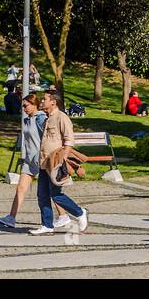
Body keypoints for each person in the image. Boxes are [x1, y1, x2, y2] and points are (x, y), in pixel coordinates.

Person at [0, 93, 65, 228]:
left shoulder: (41, 119)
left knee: (51, 191)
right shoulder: (27, 119)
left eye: (26, 105)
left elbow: (48, 138)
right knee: (20, 188)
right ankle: (11, 217)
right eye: (23, 106)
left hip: (41, 160)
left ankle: (63, 216)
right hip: (29, 160)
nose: (24, 108)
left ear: (34, 105)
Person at [31, 92, 88, 235]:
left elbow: (69, 140)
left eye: (44, 99)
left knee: (56, 194)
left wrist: (63, 159)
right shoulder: (47, 118)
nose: (42, 101)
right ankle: (47, 225)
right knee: (42, 195)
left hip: (56, 163)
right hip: (44, 162)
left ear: (53, 102)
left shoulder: (61, 117)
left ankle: (80, 212)